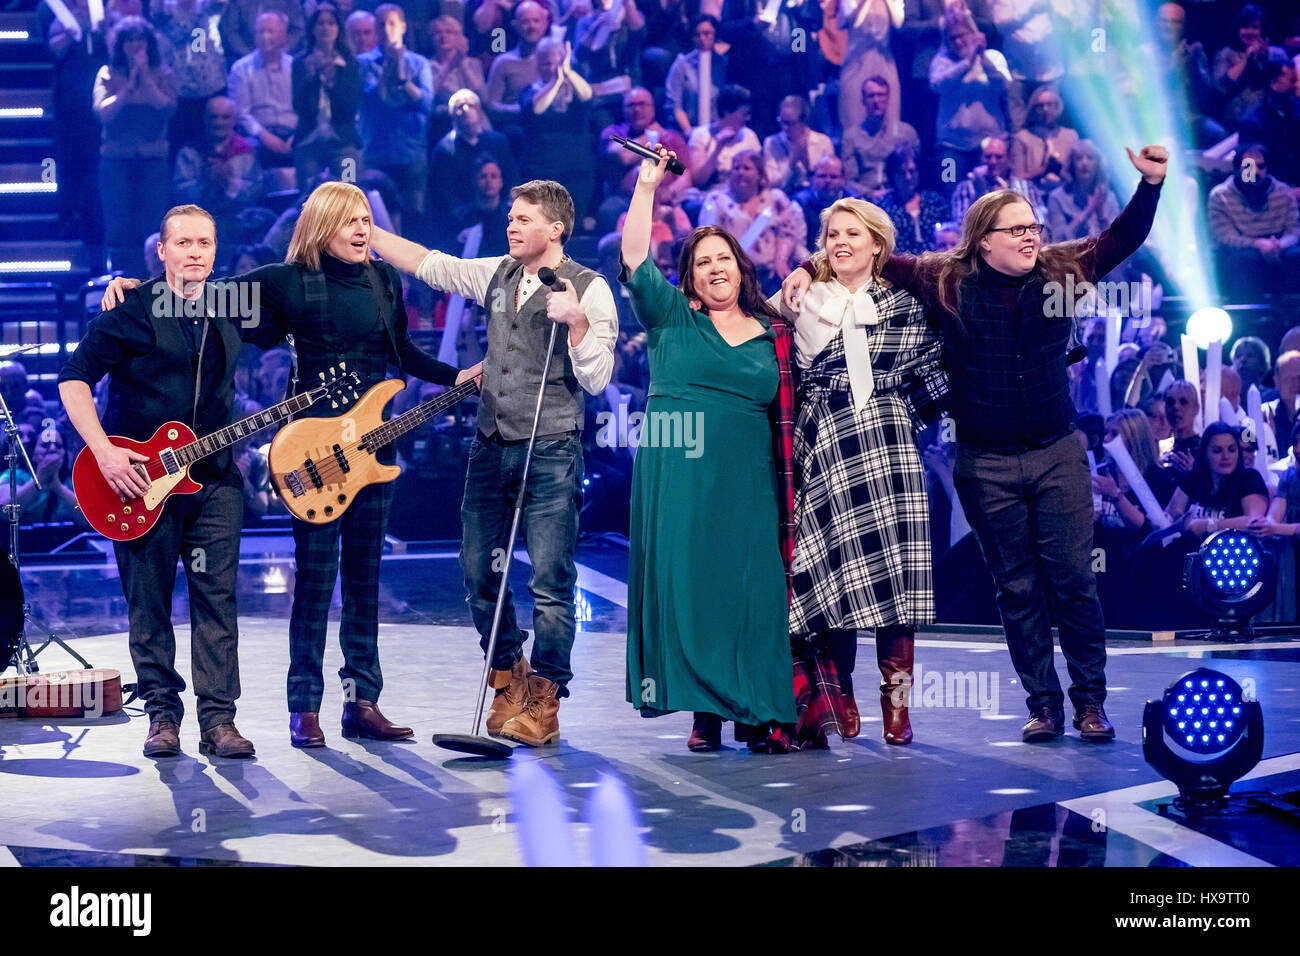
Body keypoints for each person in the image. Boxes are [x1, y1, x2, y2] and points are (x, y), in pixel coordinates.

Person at [783, 143, 1170, 743]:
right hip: (985, 463)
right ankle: (1044, 706)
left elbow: (1123, 238)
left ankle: (1091, 701)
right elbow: (867, 250)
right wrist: (809, 267)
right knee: (1016, 588)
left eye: (1033, 227)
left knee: (1072, 578)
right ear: (981, 239)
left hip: (1056, 451)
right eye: (1014, 229)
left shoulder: (1062, 271)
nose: (1029, 237)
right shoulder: (945, 279)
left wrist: (1150, 186)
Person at [100, 183, 481, 748]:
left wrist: (456, 377)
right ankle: (304, 707)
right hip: (311, 451)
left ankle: (364, 700)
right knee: (316, 579)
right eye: (349, 220)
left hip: (374, 447)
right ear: (323, 225)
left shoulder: (383, 280)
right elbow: (199, 291)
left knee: (365, 577)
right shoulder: (285, 279)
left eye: (366, 220)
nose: (361, 230)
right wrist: (136, 290)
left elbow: (403, 352)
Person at [368, 179, 617, 747]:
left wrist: (576, 324)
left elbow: (597, 378)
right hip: (491, 444)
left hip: (551, 447)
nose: (511, 226)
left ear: (555, 229)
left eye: (523, 219)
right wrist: (369, 229)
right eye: (510, 217)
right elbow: (433, 266)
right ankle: (509, 675)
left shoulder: (591, 288)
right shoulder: (499, 273)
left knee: (551, 581)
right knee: (479, 571)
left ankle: (547, 698)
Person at [60, 205, 252, 759]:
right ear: (161, 252)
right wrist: (104, 453)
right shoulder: (132, 309)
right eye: (185, 242)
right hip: (137, 482)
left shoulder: (232, 305)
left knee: (217, 600)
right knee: (149, 603)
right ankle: (161, 716)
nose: (196, 252)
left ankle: (219, 722)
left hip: (214, 479)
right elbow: (73, 378)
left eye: (206, 243)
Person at [621, 147, 796, 752]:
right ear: (689, 278)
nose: (715, 268)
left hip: (749, 480)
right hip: (681, 476)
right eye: (702, 263)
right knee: (692, 587)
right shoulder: (672, 317)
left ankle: (757, 709)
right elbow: (636, 257)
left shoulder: (774, 331)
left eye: (723, 258)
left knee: (750, 589)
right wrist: (647, 187)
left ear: (740, 267)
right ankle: (705, 711)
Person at [775, 196, 947, 745]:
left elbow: (937, 375)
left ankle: (895, 705)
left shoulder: (905, 304)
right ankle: (840, 691)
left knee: (896, 583)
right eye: (832, 235)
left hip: (889, 448)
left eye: (854, 233)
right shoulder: (800, 303)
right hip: (824, 448)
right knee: (834, 580)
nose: (841, 242)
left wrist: (901, 416)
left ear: (878, 244)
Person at [1137, 421, 1270, 629]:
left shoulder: (1248, 478)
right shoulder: (1194, 478)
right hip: (1191, 570)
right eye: (1217, 450)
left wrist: (1210, 524)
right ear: (1206, 454)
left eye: (1231, 449)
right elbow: (1171, 515)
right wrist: (1164, 522)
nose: (1226, 456)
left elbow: (1253, 522)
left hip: (1231, 568)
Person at [93, 15, 176, 276]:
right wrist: (129, 87)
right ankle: (118, 279)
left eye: (140, 39)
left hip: (153, 160)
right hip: (116, 161)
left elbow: (167, 107)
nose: (135, 45)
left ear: (149, 43)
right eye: (129, 40)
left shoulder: (163, 74)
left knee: (152, 223)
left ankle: (151, 281)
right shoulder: (107, 73)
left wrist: (146, 80)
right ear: (120, 45)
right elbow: (102, 112)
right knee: (118, 225)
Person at [359, 4, 434, 233]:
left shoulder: (418, 63)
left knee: (414, 217)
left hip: (411, 153)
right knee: (378, 221)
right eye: (381, 24)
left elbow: (426, 105)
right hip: (377, 153)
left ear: (402, 27)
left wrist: (402, 75)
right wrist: (390, 66)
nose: (386, 29)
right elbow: (373, 101)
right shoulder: (363, 63)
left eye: (391, 23)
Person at [702, 149, 806, 295]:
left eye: (747, 168)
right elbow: (708, 240)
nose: (740, 172)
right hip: (732, 274)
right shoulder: (716, 200)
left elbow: (786, 233)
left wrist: (781, 261)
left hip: (770, 272)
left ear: (759, 174)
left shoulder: (776, 198)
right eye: (736, 168)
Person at [928, 8, 1010, 189]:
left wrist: (982, 58)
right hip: (950, 148)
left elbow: (1003, 85)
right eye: (952, 38)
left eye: (962, 35)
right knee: (948, 187)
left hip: (989, 148)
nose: (958, 41)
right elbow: (938, 85)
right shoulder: (941, 62)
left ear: (974, 34)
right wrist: (968, 62)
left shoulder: (993, 57)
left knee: (991, 193)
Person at [1207, 143, 1300, 298]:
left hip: (1278, 245)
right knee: (1245, 260)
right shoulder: (1220, 195)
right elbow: (1224, 235)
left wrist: (1278, 245)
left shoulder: (1283, 192)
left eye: (1261, 166)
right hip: (1242, 247)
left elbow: (1295, 230)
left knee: (1296, 257)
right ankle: (1249, 317)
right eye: (1248, 166)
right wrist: (1256, 244)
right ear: (1237, 169)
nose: (1255, 171)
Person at [292, 3, 362, 188]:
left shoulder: (350, 63)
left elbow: (349, 108)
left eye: (331, 23)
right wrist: (309, 79)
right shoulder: (300, 63)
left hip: (343, 140)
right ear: (312, 29)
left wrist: (332, 83)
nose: (326, 27)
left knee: (351, 188)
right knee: (309, 197)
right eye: (320, 23)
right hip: (309, 140)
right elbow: (299, 106)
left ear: (338, 28)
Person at [227, 10, 297, 181]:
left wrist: (298, 135)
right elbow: (241, 113)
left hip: (295, 134)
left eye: (271, 31)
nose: (265, 37)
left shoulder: (297, 67)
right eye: (261, 32)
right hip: (259, 135)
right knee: (248, 148)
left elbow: (307, 107)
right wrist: (266, 136)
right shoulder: (241, 68)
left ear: (284, 36)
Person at [840, 74, 919, 199]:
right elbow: (848, 181)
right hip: (865, 198)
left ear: (888, 98)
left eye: (880, 95)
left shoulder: (906, 132)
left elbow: (916, 172)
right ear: (863, 100)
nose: (876, 101)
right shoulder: (851, 137)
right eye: (871, 96)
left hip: (900, 196)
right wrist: (870, 194)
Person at [950, 135, 1041, 224]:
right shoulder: (965, 188)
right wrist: (980, 192)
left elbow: (1040, 221)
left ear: (1008, 159)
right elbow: (962, 227)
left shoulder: (1027, 187)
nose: (993, 162)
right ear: (981, 159)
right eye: (988, 157)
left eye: (999, 157)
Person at [877, 147, 949, 256]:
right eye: (902, 172)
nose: (908, 177)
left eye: (912, 171)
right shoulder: (884, 207)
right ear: (892, 175)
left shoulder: (935, 202)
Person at [1046, 140, 1121, 242]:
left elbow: (1116, 240)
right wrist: (1088, 210)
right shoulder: (1057, 198)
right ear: (1072, 164)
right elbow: (1058, 240)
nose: (1084, 163)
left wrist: (1100, 214)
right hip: (1070, 256)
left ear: (1098, 164)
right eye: (1079, 158)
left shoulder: (1108, 197)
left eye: (1090, 158)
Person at [664, 14, 725, 135]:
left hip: (716, 132)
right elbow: (675, 105)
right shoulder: (682, 64)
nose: (702, 38)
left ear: (715, 35)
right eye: (698, 35)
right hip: (686, 131)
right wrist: (690, 133)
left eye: (707, 33)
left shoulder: (723, 64)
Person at [1011, 84, 1077, 192]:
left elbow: (1077, 175)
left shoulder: (1070, 136)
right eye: (1040, 106)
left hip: (1065, 195)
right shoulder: (1022, 138)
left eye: (1049, 104)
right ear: (1032, 109)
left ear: (1057, 107)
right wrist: (1044, 170)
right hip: (1033, 195)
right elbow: (1017, 179)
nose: (1045, 109)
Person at [763, 95, 833, 194]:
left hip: (816, 197)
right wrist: (792, 162)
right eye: (782, 122)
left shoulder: (822, 141)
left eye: (790, 123)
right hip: (785, 197)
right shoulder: (771, 143)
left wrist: (808, 165)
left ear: (803, 120)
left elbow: (828, 178)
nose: (785, 128)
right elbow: (773, 183)